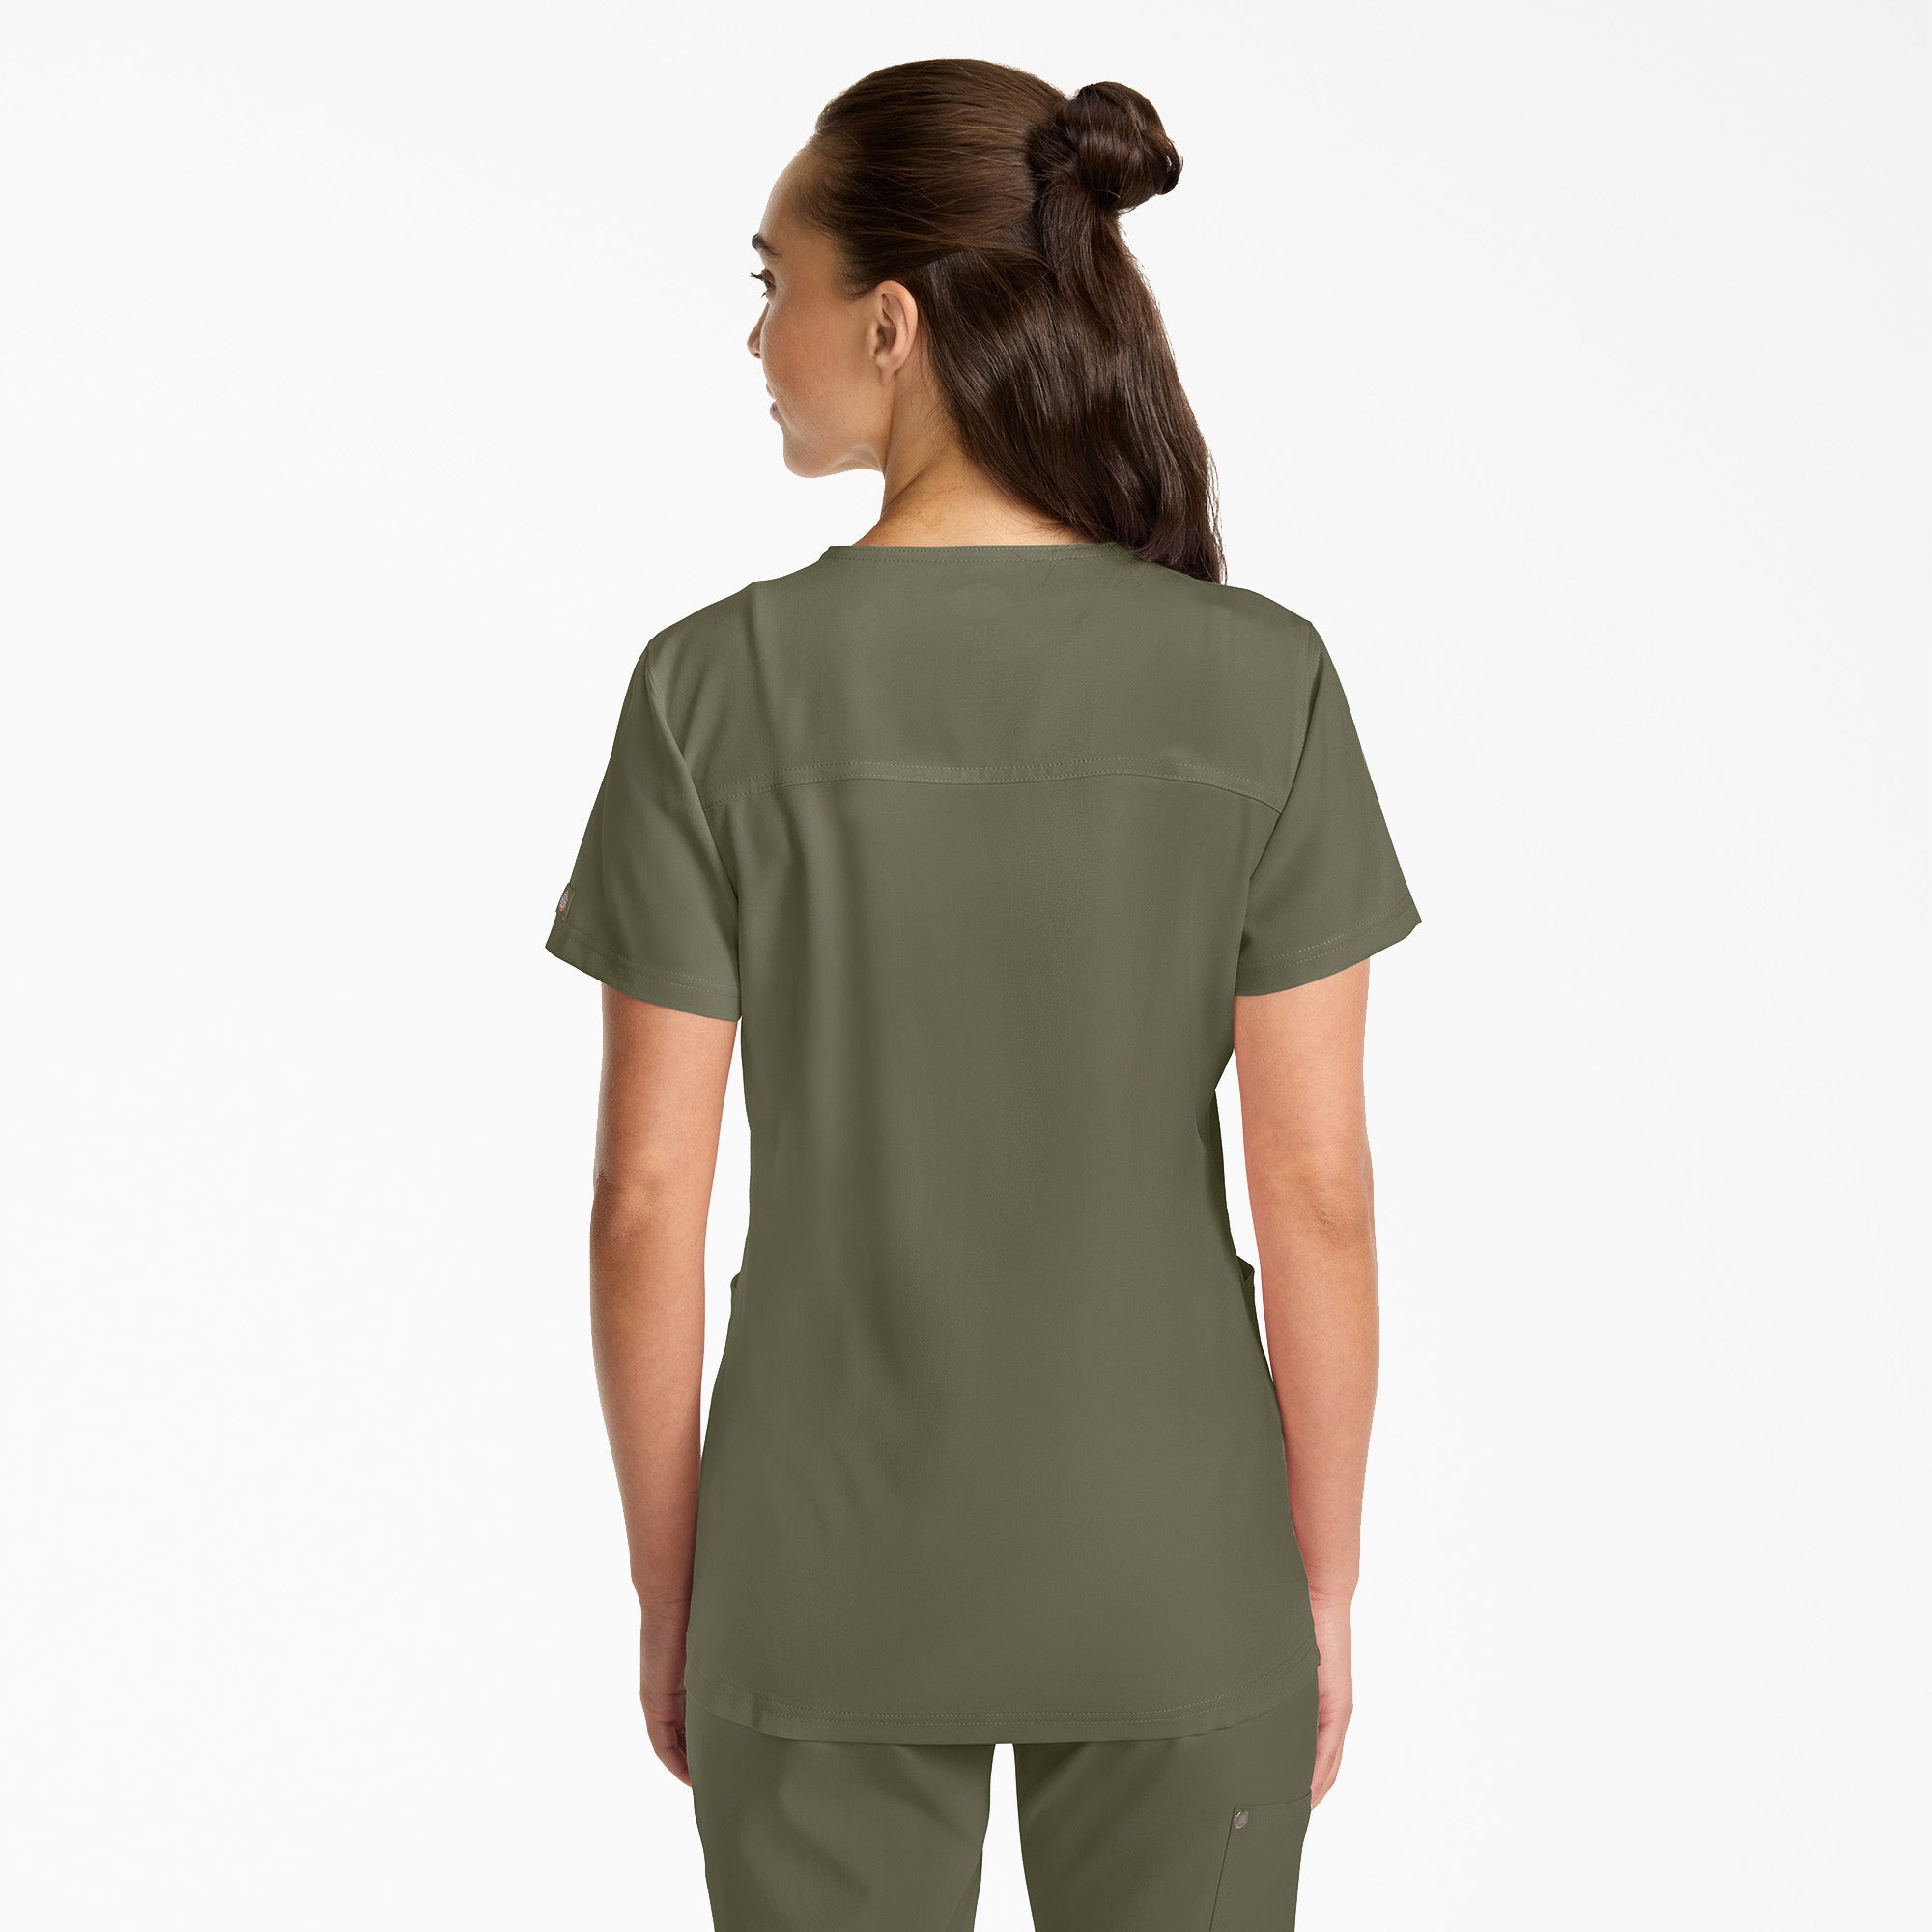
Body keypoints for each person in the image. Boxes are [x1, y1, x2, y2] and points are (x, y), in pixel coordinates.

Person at [546, 57, 1420, 1931]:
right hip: (1176, 1572)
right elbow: (1319, 1190)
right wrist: (1323, 1585)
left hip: (817, 1577)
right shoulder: (1260, 680)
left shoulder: (712, 692)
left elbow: (642, 1202)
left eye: (771, 280)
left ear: (890, 322)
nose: (756, 337)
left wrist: (673, 1584)